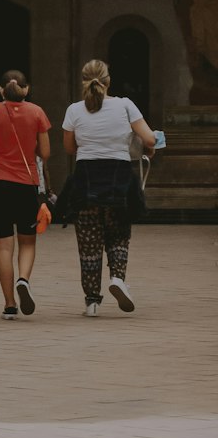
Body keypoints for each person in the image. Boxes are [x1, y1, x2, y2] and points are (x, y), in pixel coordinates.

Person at [62, 58, 156, 316]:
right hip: (119, 180)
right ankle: (117, 278)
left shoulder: (74, 110)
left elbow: (69, 148)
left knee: (88, 242)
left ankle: (92, 301)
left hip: (86, 181)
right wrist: (149, 144)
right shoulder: (125, 106)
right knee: (118, 234)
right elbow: (149, 138)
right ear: (108, 80)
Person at [0, 70, 52, 320]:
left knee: (3, 246)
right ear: (26, 89)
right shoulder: (37, 112)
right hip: (26, 184)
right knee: (28, 241)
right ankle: (23, 280)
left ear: (1, 90)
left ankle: (9, 304)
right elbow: (46, 152)